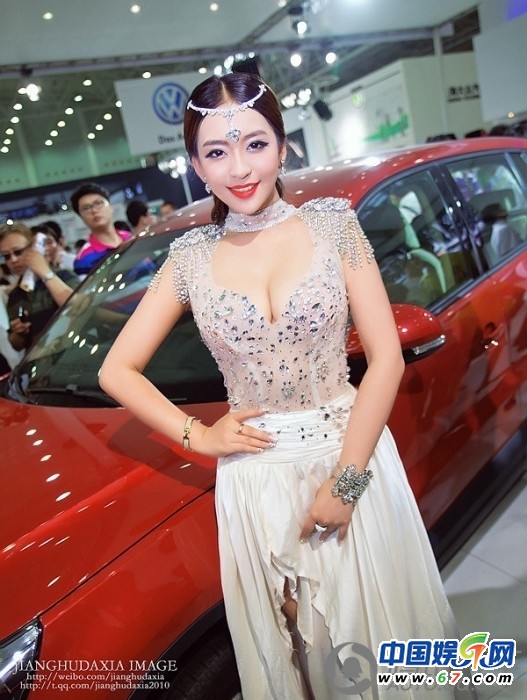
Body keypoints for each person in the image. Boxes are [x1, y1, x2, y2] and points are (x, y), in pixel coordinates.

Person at [100, 73, 469, 699]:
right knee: (305, 653)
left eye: (255, 144)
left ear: (283, 145)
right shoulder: (189, 257)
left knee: (378, 645)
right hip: (257, 477)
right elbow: (116, 370)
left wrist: (347, 483)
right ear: (196, 166)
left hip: (348, 454)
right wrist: (197, 436)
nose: (239, 167)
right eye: (216, 152)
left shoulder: (334, 226)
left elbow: (385, 359)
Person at [0, 222, 78, 351]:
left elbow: (79, 307)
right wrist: (18, 332)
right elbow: (16, 345)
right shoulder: (15, 295)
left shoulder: (62, 276)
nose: (13, 260)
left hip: (73, 351)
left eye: (18, 252)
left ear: (34, 248)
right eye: (6, 256)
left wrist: (45, 273)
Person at [70, 183, 132, 277]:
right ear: (81, 217)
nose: (94, 210)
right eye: (86, 208)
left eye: (98, 203)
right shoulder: (83, 259)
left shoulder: (131, 238)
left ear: (110, 207)